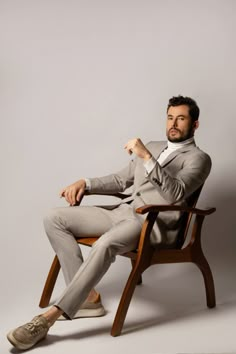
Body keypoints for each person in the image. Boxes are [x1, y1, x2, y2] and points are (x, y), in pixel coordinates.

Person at [7, 95, 212, 350]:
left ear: (195, 124)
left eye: (181, 119)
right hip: (123, 211)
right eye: (170, 117)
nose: (173, 124)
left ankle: (48, 318)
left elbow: (175, 194)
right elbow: (121, 180)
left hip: (152, 224)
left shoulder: (199, 159)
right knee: (54, 218)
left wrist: (147, 157)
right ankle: (87, 299)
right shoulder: (154, 144)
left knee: (104, 244)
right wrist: (87, 183)